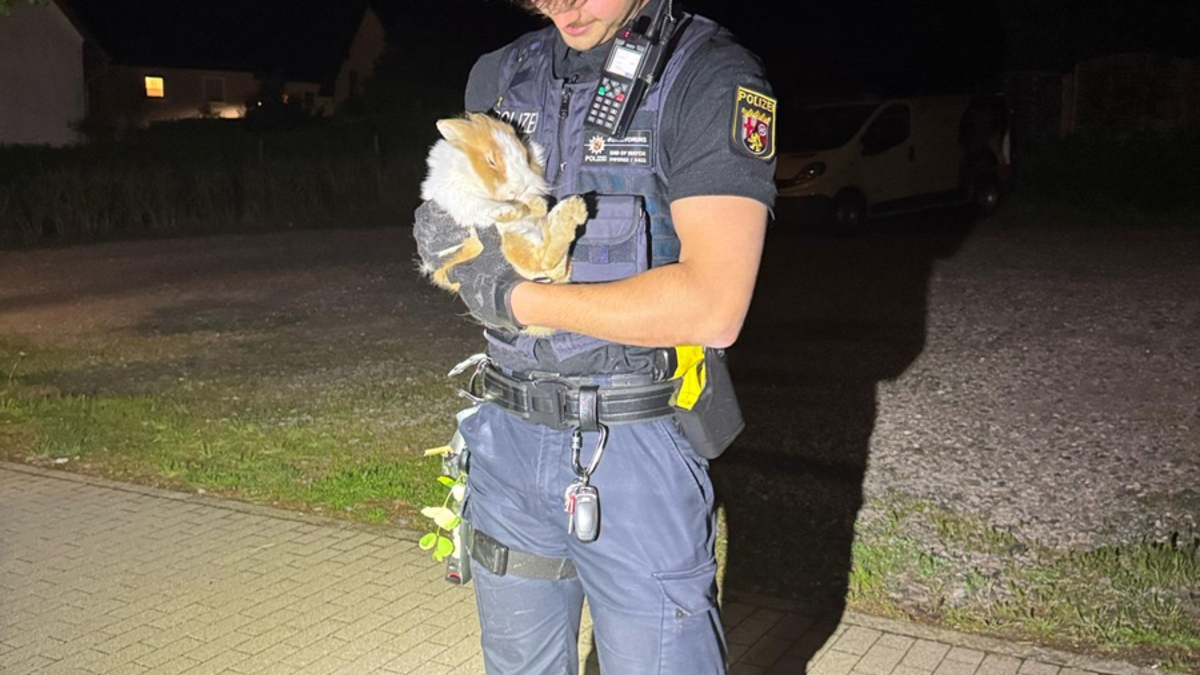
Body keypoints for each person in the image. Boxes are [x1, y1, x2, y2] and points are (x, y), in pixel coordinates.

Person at [413, 0, 777, 672]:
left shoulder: (710, 75)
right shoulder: (499, 75)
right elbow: (479, 236)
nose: (564, 4)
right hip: (507, 436)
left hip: (632, 445)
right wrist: (447, 238)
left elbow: (714, 305)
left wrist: (518, 298)